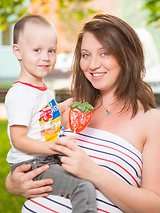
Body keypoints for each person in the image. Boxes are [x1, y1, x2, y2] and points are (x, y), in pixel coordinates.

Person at [6, 13, 160, 212]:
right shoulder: (74, 109)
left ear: (126, 56)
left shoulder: (151, 121)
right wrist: (13, 183)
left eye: (104, 53)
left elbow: (155, 205)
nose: (93, 64)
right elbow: (31, 155)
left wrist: (93, 172)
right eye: (86, 55)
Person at [5, 14, 97, 213]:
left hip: (44, 157)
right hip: (32, 163)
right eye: (37, 50)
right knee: (83, 187)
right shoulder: (21, 93)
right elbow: (18, 139)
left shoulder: (41, 89)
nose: (45, 57)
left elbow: (45, 116)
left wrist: (66, 105)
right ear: (18, 51)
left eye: (51, 50)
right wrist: (54, 146)